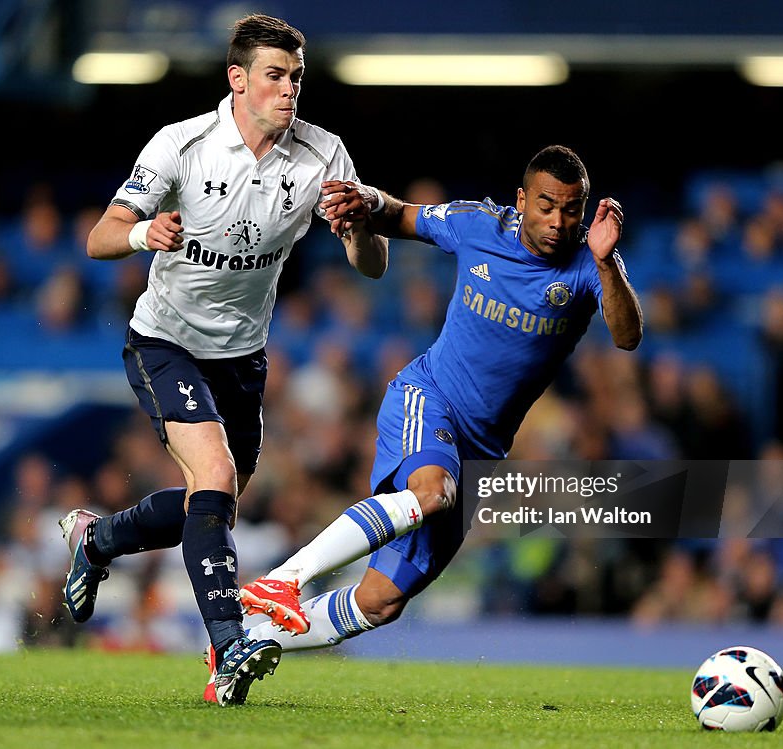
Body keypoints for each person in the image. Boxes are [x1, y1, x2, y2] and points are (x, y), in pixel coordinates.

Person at [58, 14, 387, 707]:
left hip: (242, 358)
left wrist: (357, 228)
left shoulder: (324, 156)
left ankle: (98, 540)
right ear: (238, 80)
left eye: (297, 76)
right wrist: (148, 230)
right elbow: (99, 237)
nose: (289, 88)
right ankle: (230, 644)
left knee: (214, 502)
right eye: (275, 75)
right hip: (165, 340)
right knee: (214, 474)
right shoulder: (183, 145)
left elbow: (373, 264)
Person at [239, 145, 643, 651]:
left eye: (570, 209)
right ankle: (287, 577)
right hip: (429, 398)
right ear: (521, 200)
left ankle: (243, 644)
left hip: (479, 452)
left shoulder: (590, 264)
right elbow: (401, 215)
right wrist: (366, 199)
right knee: (432, 492)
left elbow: (627, 336)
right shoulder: (479, 226)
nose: (558, 221)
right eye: (546, 205)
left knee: (380, 602)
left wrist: (608, 264)